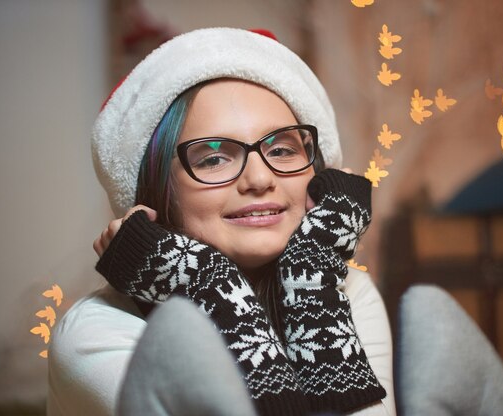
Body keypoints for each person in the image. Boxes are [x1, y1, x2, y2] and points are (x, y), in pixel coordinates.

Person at [47, 27, 396, 416]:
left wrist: (311, 274)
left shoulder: (347, 289)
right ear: (158, 191)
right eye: (213, 158)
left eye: (281, 149)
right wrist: (209, 284)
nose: (260, 179)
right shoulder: (96, 333)